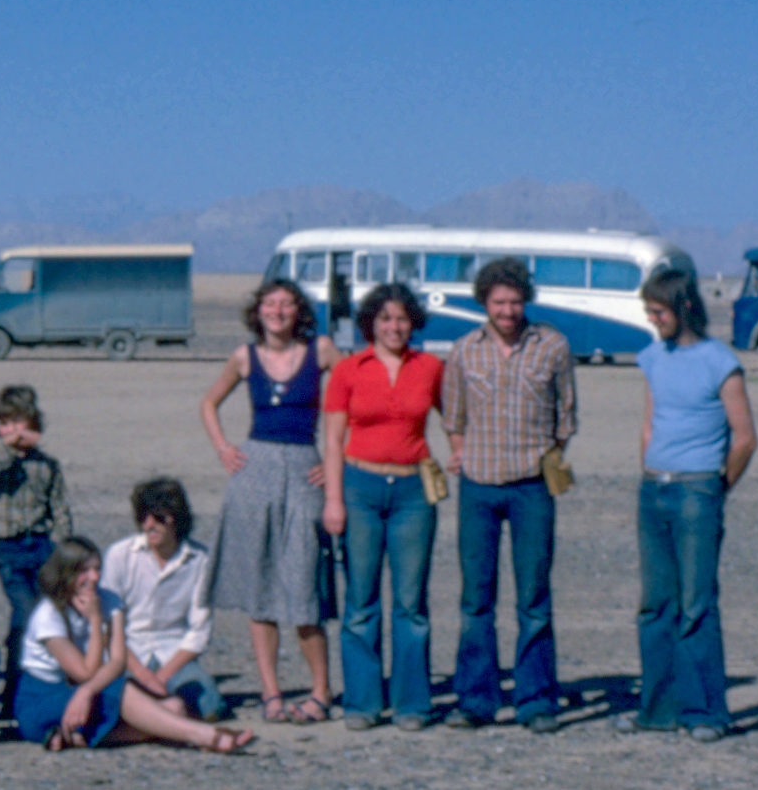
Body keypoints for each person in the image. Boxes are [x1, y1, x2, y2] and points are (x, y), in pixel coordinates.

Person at [614, 269, 758, 743]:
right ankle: (657, 710)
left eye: (660, 311)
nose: (654, 320)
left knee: (696, 605)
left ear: (683, 307)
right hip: (654, 489)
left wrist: (717, 487)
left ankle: (706, 713)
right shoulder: (652, 357)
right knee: (655, 605)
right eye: (649, 312)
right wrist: (648, 466)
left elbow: (744, 438)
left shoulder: (720, 362)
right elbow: (649, 421)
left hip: (698, 491)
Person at [441, 256, 576, 734]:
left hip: (532, 488)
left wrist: (550, 461)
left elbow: (566, 418)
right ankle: (476, 700)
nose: (508, 310)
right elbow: (453, 417)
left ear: (526, 300)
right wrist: (462, 454)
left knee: (534, 598)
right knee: (476, 599)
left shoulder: (553, 346)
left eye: (516, 301)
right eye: (499, 301)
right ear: (484, 302)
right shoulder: (463, 351)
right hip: (478, 487)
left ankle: (536, 699)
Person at [200, 279, 341, 725]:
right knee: (260, 592)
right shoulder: (244, 357)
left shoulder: (321, 350)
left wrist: (342, 458)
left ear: (298, 311)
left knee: (303, 590)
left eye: (286, 304)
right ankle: (271, 692)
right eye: (270, 303)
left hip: (305, 469)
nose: (277, 311)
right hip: (254, 470)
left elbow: (358, 396)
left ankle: (321, 690)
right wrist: (224, 447)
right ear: (257, 311)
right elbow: (208, 403)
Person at [321, 283, 445, 732]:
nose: (394, 326)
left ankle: (412, 703)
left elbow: (457, 421)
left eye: (402, 318)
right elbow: (333, 439)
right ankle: (363, 702)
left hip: (414, 493)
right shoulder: (349, 370)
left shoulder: (431, 367)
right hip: (359, 487)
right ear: (371, 322)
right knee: (360, 600)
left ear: (414, 323)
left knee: (411, 602)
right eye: (386, 318)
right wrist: (333, 499)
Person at [15, 537, 254, 753]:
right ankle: (207, 736)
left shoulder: (109, 600)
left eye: (97, 569)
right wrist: (96, 620)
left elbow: (118, 661)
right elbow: (85, 672)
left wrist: (86, 692)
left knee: (175, 707)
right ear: (65, 573)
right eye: (84, 571)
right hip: (43, 698)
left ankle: (75, 738)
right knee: (123, 691)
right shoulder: (48, 615)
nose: (94, 578)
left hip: (84, 691)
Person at [0, 384, 72, 701]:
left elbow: (60, 508)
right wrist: (10, 445)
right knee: (25, 611)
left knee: (45, 614)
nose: (13, 430)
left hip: (40, 546)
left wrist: (66, 550)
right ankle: (14, 684)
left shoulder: (47, 465)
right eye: (5, 424)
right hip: (8, 549)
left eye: (20, 422)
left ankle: (30, 685)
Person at [100, 478, 222, 722]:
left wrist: (163, 676)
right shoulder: (120, 555)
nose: (149, 525)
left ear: (177, 518)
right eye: (143, 518)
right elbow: (108, 627)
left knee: (211, 706)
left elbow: (199, 630)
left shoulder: (201, 560)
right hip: (127, 654)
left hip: (172, 653)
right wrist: (143, 676)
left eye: (158, 518)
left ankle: (157, 712)